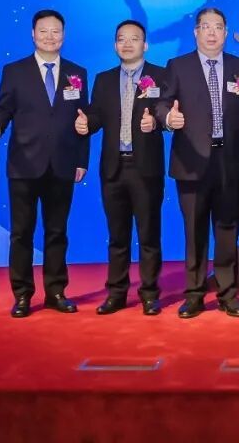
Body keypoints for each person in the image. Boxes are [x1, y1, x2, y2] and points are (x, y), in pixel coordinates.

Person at [0, 9, 88, 318]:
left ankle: (56, 292)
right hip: (24, 165)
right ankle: (22, 295)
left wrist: (81, 160)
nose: (50, 37)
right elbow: (3, 108)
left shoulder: (77, 73)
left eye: (56, 31)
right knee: (22, 234)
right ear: (33, 34)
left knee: (57, 232)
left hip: (63, 164)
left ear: (64, 35)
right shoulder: (15, 71)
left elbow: (83, 120)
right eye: (43, 31)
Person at [155, 8, 239, 318]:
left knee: (227, 230)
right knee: (194, 231)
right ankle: (195, 295)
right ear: (196, 32)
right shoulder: (178, 66)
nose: (212, 33)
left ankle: (227, 294)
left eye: (218, 27)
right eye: (206, 27)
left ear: (225, 33)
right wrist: (168, 118)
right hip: (191, 161)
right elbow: (161, 103)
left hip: (230, 160)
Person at [75, 20, 167, 316]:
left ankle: (149, 294)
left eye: (134, 38)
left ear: (145, 45)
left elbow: (168, 113)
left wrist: (157, 122)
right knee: (117, 236)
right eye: (121, 39)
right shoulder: (103, 80)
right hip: (113, 169)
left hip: (146, 168)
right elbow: (97, 117)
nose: (127, 44)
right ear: (115, 45)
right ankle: (116, 293)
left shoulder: (161, 76)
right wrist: (86, 124)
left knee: (149, 236)